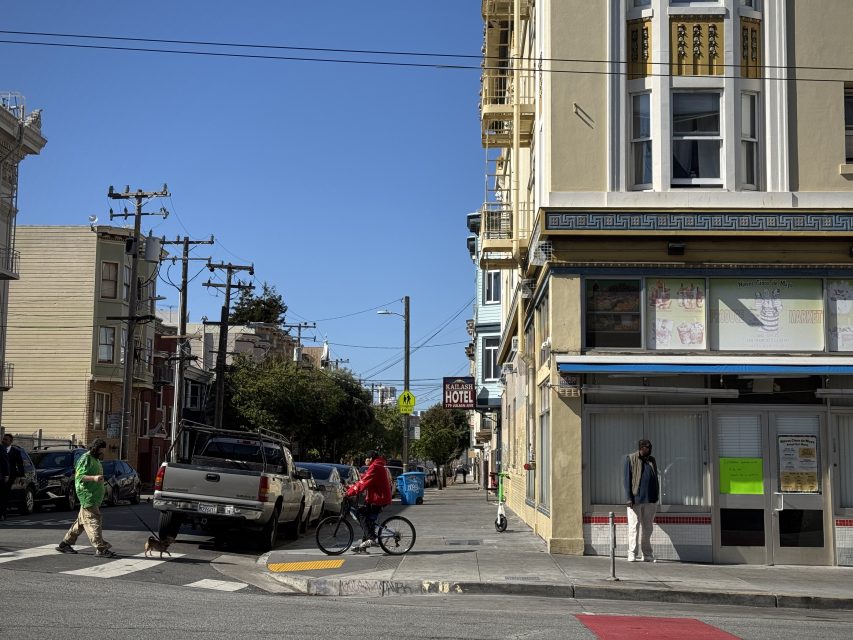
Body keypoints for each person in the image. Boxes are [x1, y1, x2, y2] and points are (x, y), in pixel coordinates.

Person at [56, 439, 118, 558]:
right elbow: (80, 477)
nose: (103, 454)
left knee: (81, 522)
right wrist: (94, 478)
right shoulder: (86, 459)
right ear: (95, 449)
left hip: (94, 496)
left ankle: (65, 543)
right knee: (94, 521)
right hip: (87, 496)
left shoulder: (95, 460)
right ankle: (101, 549)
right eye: (101, 451)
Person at [345, 450, 391, 552]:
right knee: (368, 521)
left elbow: (363, 484)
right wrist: (351, 487)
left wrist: (349, 493)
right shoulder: (377, 465)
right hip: (379, 497)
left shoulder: (374, 467)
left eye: (366, 458)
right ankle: (363, 546)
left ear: (370, 459)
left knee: (362, 514)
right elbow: (364, 479)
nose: (365, 461)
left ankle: (371, 539)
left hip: (379, 499)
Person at [623, 439, 659, 563]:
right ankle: (632, 553)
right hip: (635, 499)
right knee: (634, 527)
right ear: (641, 448)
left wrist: (656, 496)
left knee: (648, 528)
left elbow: (655, 479)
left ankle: (647, 554)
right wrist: (628, 498)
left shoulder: (652, 460)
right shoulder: (631, 458)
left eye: (650, 447)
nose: (649, 449)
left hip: (650, 499)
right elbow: (627, 479)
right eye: (647, 447)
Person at [0, 434, 24, 520]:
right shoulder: (0, 449)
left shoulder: (16, 451)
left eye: (6, 439)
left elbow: (20, 465)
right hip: (1, 475)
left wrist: (21, 476)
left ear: (10, 441)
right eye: (3, 439)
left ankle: (2, 513)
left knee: (4, 495)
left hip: (10, 477)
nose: (3, 441)